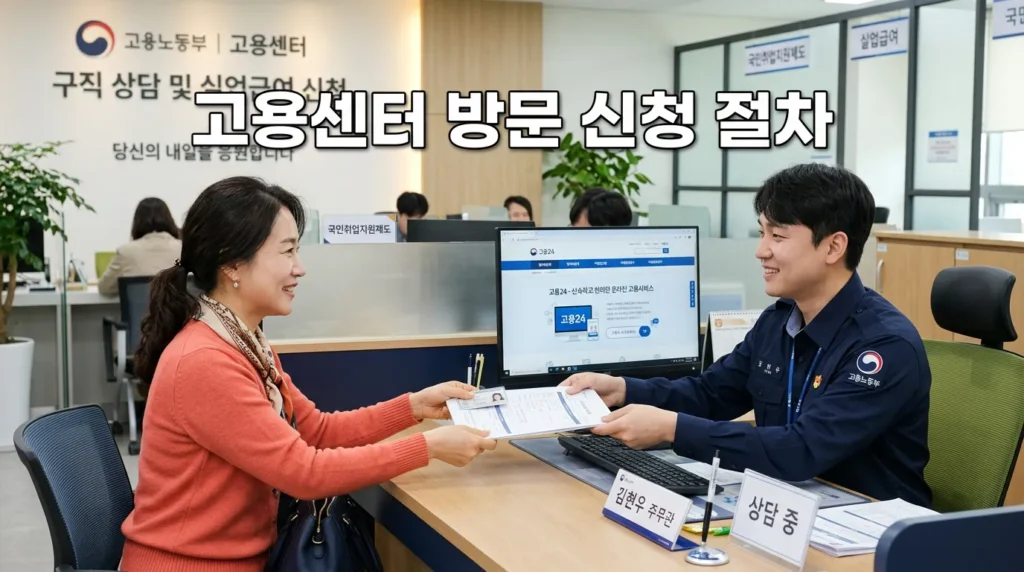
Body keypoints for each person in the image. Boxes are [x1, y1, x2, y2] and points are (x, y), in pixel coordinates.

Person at [119, 176, 496, 571]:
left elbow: (315, 431)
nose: (300, 268)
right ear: (232, 263)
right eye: (287, 252)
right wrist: (427, 447)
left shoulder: (245, 341)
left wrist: (413, 406)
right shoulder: (205, 360)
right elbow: (304, 473)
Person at [561, 163, 932, 508]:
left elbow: (800, 451)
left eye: (778, 236)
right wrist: (622, 389)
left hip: (868, 527)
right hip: (786, 506)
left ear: (834, 246)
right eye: (761, 232)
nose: (760, 251)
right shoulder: (778, 321)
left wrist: (671, 429)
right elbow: (710, 394)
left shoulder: (882, 346)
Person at [97, 197, 182, 296]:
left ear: (137, 222)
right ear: (169, 220)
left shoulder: (126, 252)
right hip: (177, 306)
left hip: (140, 306)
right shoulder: (183, 249)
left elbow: (105, 288)